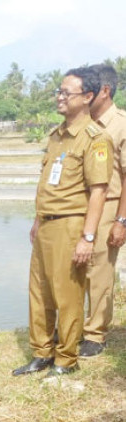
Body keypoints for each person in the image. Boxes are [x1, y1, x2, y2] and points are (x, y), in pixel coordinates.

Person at [12, 67, 112, 378]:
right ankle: (41, 352)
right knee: (40, 291)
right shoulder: (56, 136)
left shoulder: (95, 139)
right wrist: (38, 219)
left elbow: (98, 192)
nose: (60, 96)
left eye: (66, 92)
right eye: (59, 91)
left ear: (87, 97)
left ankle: (66, 359)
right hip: (46, 225)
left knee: (67, 295)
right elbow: (49, 183)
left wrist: (88, 237)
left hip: (71, 225)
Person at [81, 63, 126, 357]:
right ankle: (76, 325)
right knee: (77, 269)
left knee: (100, 271)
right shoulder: (83, 124)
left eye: (89, 91)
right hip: (81, 207)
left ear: (105, 91)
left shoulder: (120, 124)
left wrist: (121, 220)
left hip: (109, 204)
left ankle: (95, 333)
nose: (84, 97)